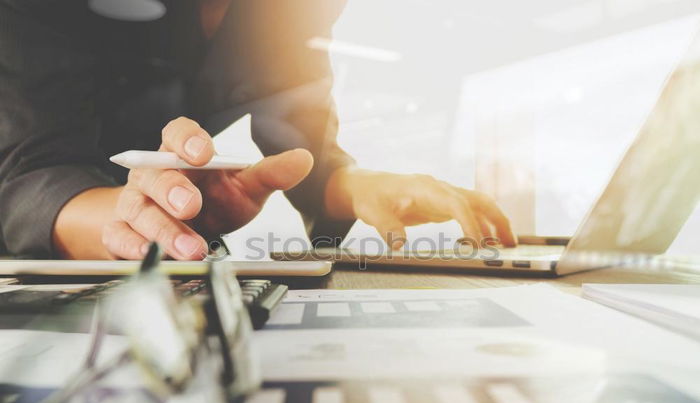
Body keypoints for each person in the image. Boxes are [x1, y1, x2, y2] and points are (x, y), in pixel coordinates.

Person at [0, 0, 516, 260]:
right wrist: (145, 219)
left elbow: (302, 141)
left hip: (180, 272)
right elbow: (31, 175)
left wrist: (360, 187)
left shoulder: (291, 11)